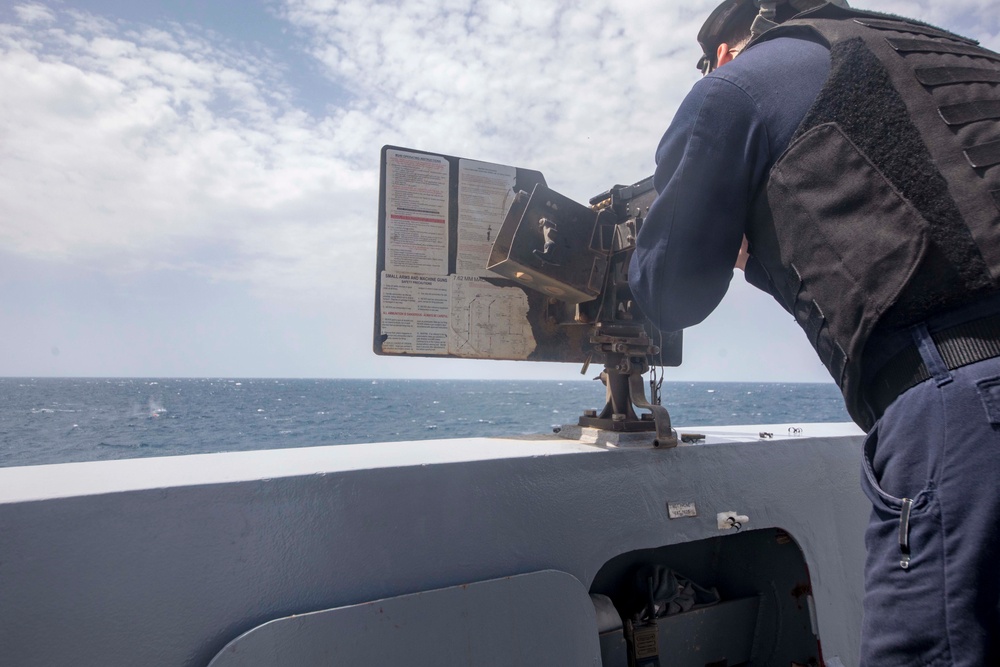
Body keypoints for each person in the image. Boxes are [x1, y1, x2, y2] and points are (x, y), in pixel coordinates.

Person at [628, 0, 1000, 664]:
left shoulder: (735, 86)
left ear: (725, 49)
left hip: (967, 414)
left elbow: (670, 291)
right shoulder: (943, 54)